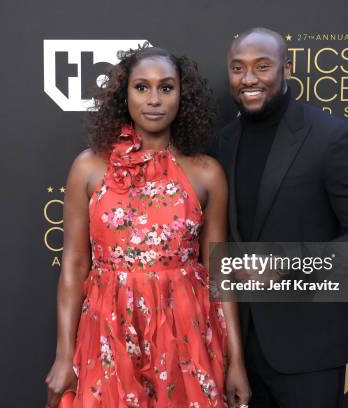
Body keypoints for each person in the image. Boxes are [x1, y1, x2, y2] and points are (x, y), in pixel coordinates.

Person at [45, 46, 251, 407]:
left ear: (182, 96)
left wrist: (237, 362)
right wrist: (64, 356)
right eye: (142, 87)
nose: (154, 99)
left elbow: (219, 272)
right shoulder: (89, 168)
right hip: (108, 329)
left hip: (185, 334)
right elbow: (75, 265)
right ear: (124, 95)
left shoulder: (207, 174)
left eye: (166, 88)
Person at [211, 28, 348, 408]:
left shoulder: (330, 137)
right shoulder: (222, 143)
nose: (249, 79)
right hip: (235, 353)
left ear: (287, 69)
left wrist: (289, 264)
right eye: (238, 68)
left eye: (263, 66)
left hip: (308, 352)